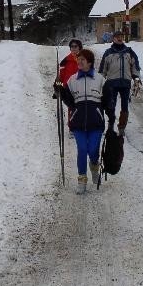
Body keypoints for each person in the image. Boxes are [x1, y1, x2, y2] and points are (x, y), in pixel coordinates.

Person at [54, 48, 107, 194]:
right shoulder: (72, 80)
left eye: (82, 59)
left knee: (93, 151)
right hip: (78, 123)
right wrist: (59, 89)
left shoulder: (100, 79)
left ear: (89, 62)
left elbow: (108, 100)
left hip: (96, 123)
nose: (79, 61)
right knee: (82, 150)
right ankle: (82, 180)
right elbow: (69, 101)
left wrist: (110, 115)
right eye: (78, 59)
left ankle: (94, 165)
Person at [99, 30, 141, 136]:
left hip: (125, 84)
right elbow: (102, 69)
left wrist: (136, 77)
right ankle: (110, 125)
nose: (119, 38)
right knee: (110, 106)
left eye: (121, 36)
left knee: (125, 106)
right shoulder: (108, 52)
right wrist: (99, 82)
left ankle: (122, 127)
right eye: (117, 36)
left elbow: (135, 65)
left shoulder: (129, 51)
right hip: (111, 84)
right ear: (113, 38)